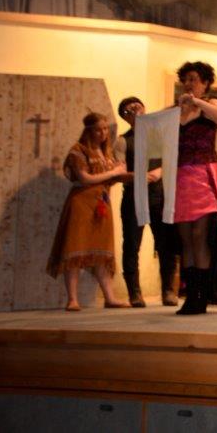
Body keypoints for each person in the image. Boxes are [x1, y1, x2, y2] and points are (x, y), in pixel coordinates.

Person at [174, 61, 217, 315]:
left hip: (204, 176)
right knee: (186, 239)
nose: (189, 83)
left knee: (200, 236)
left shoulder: (212, 103)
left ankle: (201, 297)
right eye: (186, 79)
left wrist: (195, 102)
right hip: (181, 178)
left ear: (205, 83)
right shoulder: (176, 110)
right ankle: (191, 295)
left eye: (194, 79)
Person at [46, 112, 129, 311]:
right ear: (89, 131)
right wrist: (114, 172)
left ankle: (110, 297)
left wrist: (130, 175)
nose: (103, 133)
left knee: (102, 251)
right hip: (81, 203)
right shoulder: (78, 150)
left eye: (105, 129)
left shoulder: (106, 153)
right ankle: (72, 299)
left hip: (102, 203)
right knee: (75, 249)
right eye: (98, 129)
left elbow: (109, 178)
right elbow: (84, 178)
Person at [115, 96, 180, 307]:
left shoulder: (158, 135)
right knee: (131, 244)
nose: (135, 111)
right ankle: (134, 293)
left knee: (166, 244)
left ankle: (168, 291)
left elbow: (172, 159)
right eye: (129, 110)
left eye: (138, 106)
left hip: (160, 196)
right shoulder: (123, 140)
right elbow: (119, 172)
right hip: (133, 197)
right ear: (125, 118)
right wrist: (141, 176)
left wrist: (159, 171)